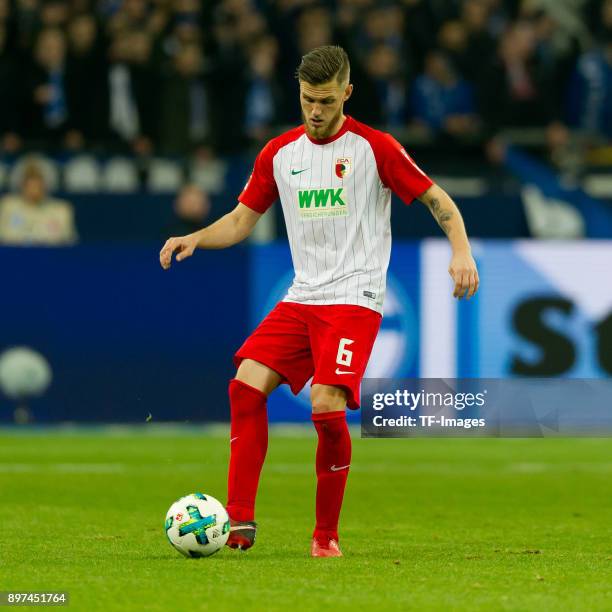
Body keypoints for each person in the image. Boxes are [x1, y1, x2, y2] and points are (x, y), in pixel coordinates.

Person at [159, 45, 479, 558]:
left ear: (346, 94)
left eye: (326, 101)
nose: (315, 110)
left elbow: (439, 200)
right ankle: (238, 524)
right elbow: (242, 220)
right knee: (245, 387)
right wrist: (196, 236)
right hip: (303, 296)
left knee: (325, 406)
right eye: (308, 99)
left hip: (355, 299)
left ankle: (325, 536)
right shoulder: (280, 154)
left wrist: (461, 250)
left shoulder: (375, 148)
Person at [0, 160, 78, 245]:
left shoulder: (61, 209)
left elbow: (69, 242)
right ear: (22, 186)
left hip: (51, 256)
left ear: (45, 186)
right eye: (30, 186)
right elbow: (4, 238)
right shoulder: (7, 206)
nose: (34, 190)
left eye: (38, 186)